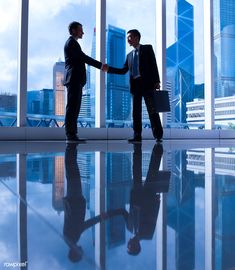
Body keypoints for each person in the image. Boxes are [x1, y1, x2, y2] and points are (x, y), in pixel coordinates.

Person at [103, 29, 163, 143]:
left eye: (129, 37)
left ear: (136, 37)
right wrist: (109, 69)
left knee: (152, 110)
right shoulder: (129, 55)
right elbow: (123, 70)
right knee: (136, 112)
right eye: (127, 37)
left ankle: (158, 135)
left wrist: (157, 81)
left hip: (148, 84)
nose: (128, 39)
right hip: (135, 87)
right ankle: (137, 136)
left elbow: (153, 64)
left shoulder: (147, 48)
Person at [126, 143, 170, 255]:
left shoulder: (130, 228)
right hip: (148, 198)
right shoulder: (147, 234)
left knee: (136, 169)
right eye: (131, 247)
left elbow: (124, 212)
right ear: (137, 246)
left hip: (136, 197)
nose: (129, 244)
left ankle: (137, 147)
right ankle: (158, 147)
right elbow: (153, 217)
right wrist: (157, 202)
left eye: (128, 246)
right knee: (152, 170)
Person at [64, 21, 104, 142]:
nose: (83, 32)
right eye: (81, 30)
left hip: (75, 80)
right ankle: (71, 135)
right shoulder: (72, 43)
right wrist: (101, 66)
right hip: (74, 79)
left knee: (75, 108)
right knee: (72, 108)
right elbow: (84, 58)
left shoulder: (73, 43)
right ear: (74, 30)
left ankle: (72, 134)